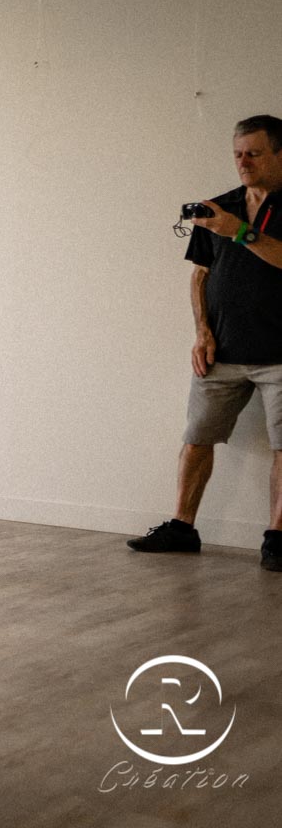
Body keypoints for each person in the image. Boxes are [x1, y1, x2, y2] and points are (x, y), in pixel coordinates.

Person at [132, 115, 282, 572]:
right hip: (223, 352)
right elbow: (200, 276)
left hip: (281, 355)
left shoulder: (230, 220)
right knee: (197, 438)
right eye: (237, 154)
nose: (243, 163)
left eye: (254, 154)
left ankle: (277, 538)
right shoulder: (216, 207)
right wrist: (201, 332)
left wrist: (238, 231)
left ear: (279, 154)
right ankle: (182, 527)